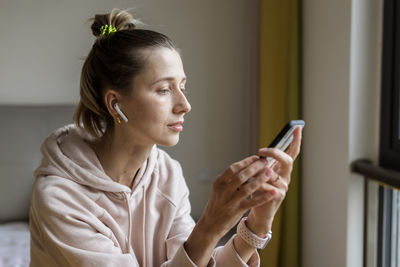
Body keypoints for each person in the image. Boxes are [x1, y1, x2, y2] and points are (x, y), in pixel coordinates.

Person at [29, 8, 302, 267]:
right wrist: (210, 225)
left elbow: (192, 260)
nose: (185, 105)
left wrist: (258, 222)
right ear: (115, 104)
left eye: (182, 86)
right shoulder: (60, 199)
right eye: (163, 89)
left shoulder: (166, 174)